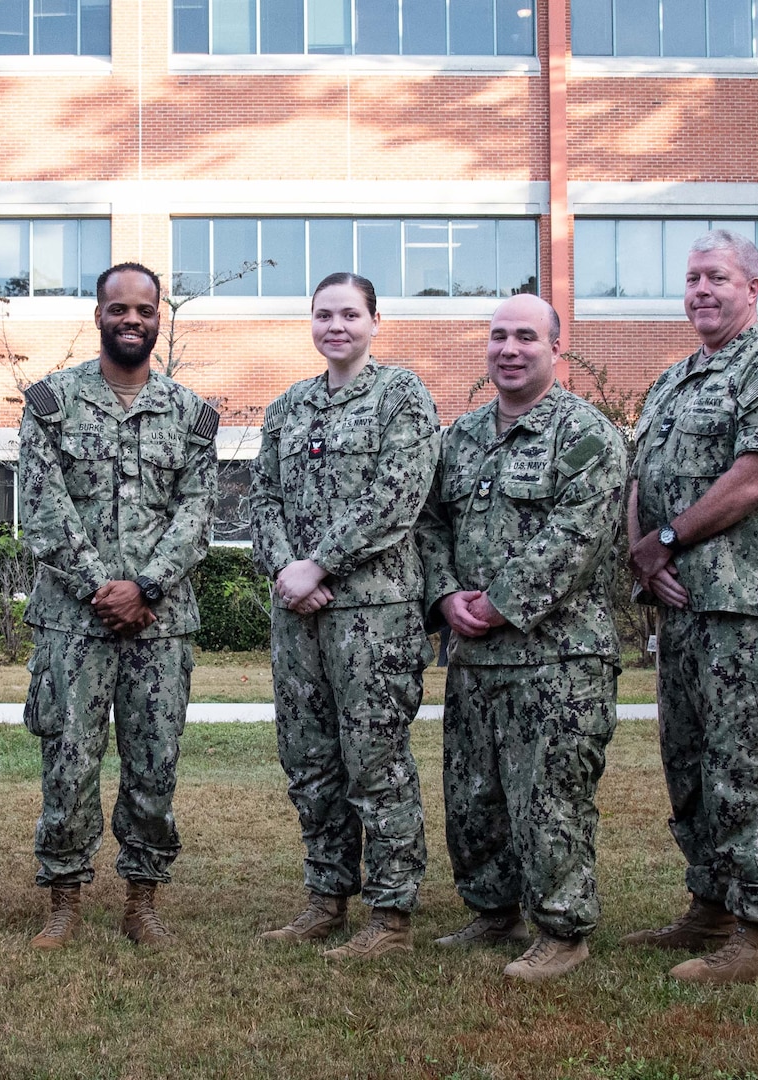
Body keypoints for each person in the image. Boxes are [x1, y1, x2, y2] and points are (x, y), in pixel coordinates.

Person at [622, 229, 758, 984]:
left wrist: (666, 539)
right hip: (682, 610)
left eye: (718, 277)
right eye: (693, 278)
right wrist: (646, 555)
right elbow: (640, 476)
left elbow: (755, 477)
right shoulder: (674, 379)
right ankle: (709, 903)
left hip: (748, 609)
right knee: (689, 765)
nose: (701, 289)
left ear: (752, 289)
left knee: (746, 766)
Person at [415, 293, 626, 982]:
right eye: (500, 336)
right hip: (476, 654)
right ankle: (492, 910)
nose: (510, 349)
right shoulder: (464, 436)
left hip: (558, 657)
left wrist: (500, 603)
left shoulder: (587, 436)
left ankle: (563, 932)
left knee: (550, 796)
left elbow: (579, 537)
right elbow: (430, 525)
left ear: (555, 350)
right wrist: (446, 595)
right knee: (475, 796)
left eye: (527, 337)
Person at [17, 262, 218, 948]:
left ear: (159, 317)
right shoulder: (50, 402)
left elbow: (198, 514)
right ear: (97, 314)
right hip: (74, 620)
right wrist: (104, 588)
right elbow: (42, 508)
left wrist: (148, 588)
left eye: (144, 310)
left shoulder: (191, 414)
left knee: (154, 762)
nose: (132, 320)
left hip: (160, 626)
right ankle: (63, 901)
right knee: (68, 759)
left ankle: (143, 900)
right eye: (118, 309)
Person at [250, 272, 441, 960]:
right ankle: (326, 897)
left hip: (374, 616)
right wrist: (285, 572)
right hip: (298, 618)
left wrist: (319, 564)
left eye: (350, 314)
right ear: (311, 322)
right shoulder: (288, 407)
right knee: (310, 762)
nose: (336, 325)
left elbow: (398, 498)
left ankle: (390, 915)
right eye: (324, 314)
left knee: (375, 761)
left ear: (374, 321)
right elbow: (261, 499)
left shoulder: (402, 398)